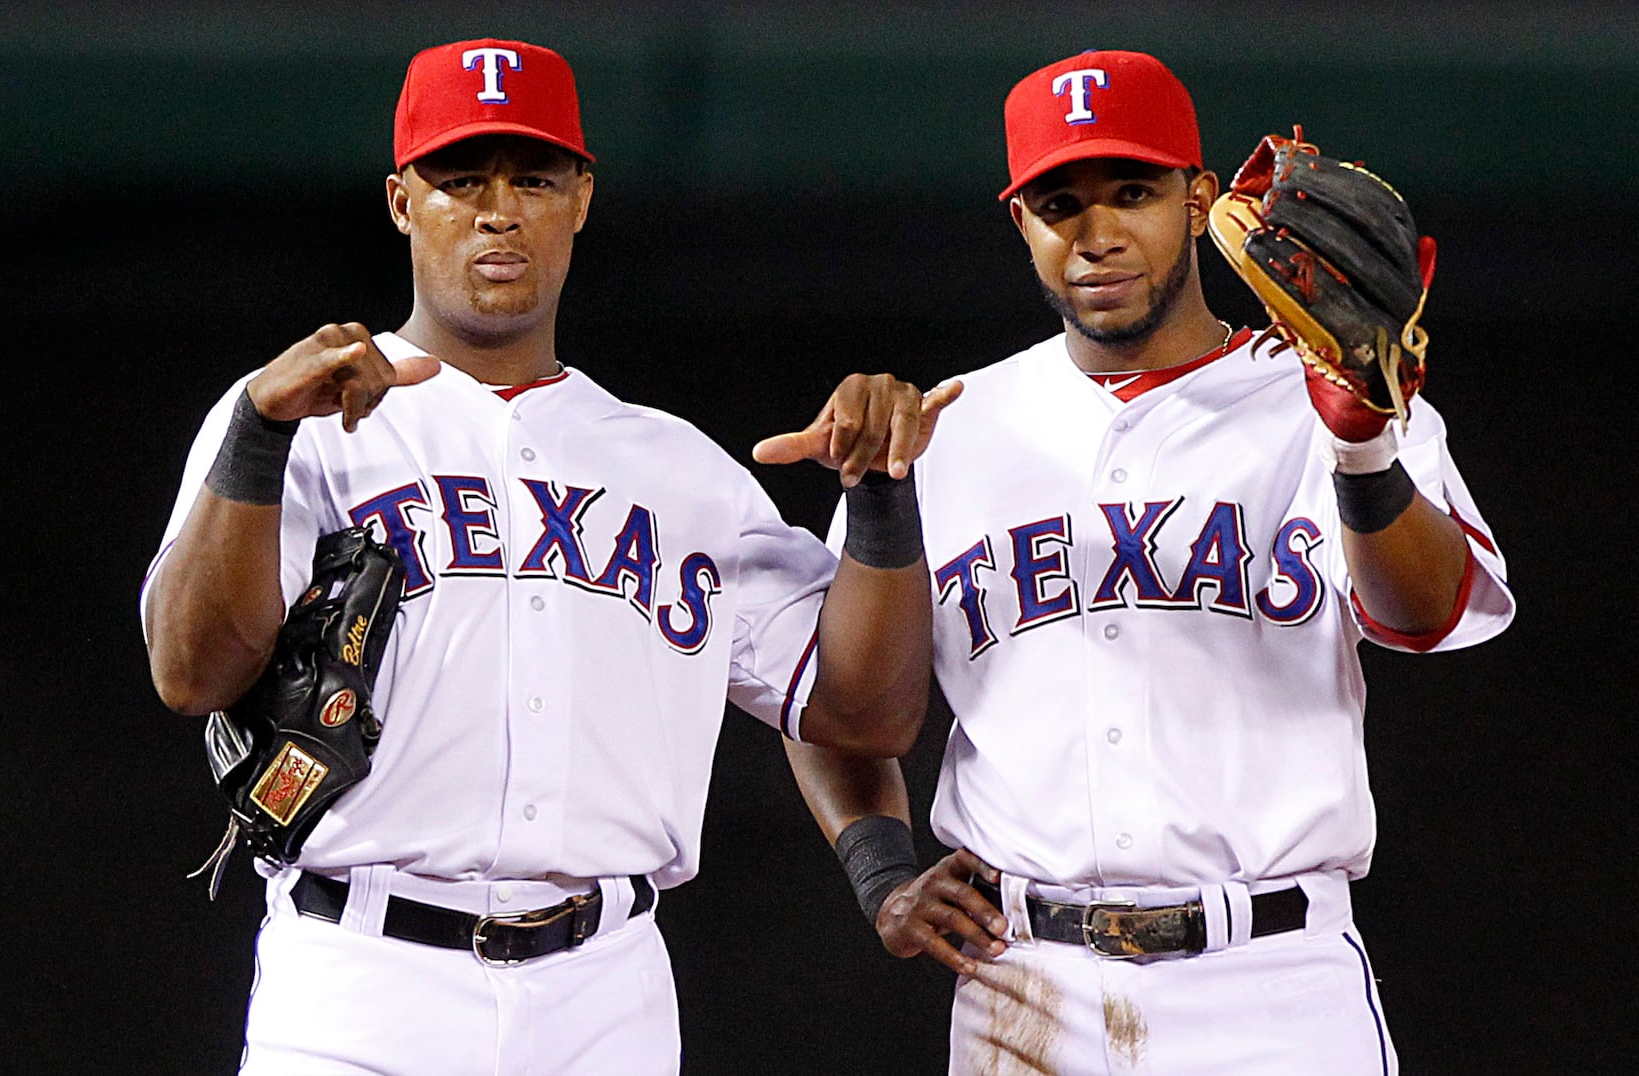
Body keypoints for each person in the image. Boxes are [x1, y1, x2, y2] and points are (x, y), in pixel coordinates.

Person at [142, 38, 956, 1075]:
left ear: (579, 197)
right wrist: (258, 434)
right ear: (401, 201)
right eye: (457, 179)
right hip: (357, 978)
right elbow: (189, 672)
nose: (496, 209)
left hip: (601, 990)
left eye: (531, 177)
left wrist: (881, 499)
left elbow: (865, 713)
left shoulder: (675, 468)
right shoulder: (299, 412)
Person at [787, 49, 1514, 1074]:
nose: (1095, 234)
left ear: (1200, 198)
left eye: (1132, 192)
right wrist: (878, 873)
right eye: (1058, 202)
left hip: (1274, 982)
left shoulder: (1324, 393)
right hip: (1026, 981)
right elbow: (825, 705)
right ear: (1021, 223)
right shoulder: (948, 427)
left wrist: (1360, 443)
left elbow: (1429, 610)